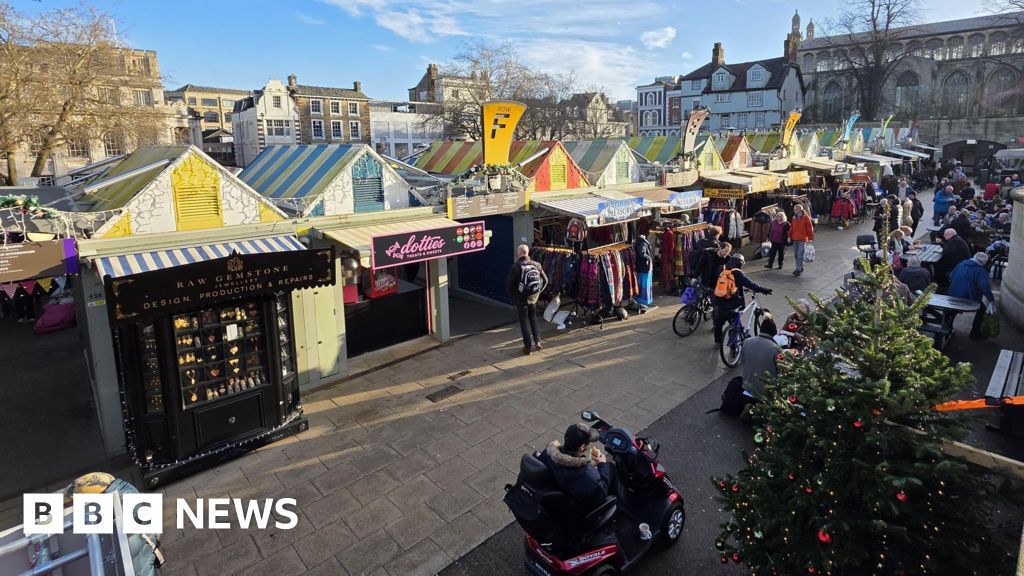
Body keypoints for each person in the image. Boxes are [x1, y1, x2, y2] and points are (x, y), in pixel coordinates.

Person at [538, 423, 613, 511]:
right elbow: (601, 494)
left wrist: (587, 463)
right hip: (580, 512)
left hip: (557, 504)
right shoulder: (589, 476)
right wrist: (603, 465)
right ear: (582, 447)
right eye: (589, 443)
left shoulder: (547, 454)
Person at [713, 255, 772, 344]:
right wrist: (762, 290)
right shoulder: (737, 272)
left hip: (721, 300)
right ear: (739, 263)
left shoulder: (722, 268)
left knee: (719, 322)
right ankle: (733, 343)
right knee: (734, 323)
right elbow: (749, 284)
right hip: (733, 303)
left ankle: (717, 341)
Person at [506, 244, 549, 355]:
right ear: (528, 252)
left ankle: (527, 347)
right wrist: (538, 293)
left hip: (521, 299)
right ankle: (537, 341)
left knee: (524, 322)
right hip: (533, 299)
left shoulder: (515, 267)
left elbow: (509, 285)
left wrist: (513, 297)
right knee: (533, 318)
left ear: (519, 253)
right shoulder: (537, 264)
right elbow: (546, 280)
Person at [948, 253, 996, 340]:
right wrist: (991, 299)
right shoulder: (980, 271)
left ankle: (948, 327)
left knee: (952, 309)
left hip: (953, 295)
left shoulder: (962, 263)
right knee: (982, 310)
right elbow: (985, 287)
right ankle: (975, 333)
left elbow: (951, 276)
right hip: (968, 298)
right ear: (984, 262)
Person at [741, 317, 782, 402]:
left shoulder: (747, 342)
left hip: (746, 386)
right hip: (765, 392)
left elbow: (743, 361)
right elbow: (780, 370)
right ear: (774, 333)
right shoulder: (775, 349)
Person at [789, 203, 814, 277]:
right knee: (796, 254)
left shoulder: (806, 218)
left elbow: (810, 228)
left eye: (795, 209)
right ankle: (800, 267)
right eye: (794, 209)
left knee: (800, 254)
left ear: (800, 209)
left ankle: (798, 269)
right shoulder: (794, 218)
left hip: (803, 239)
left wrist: (810, 238)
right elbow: (791, 228)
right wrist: (789, 236)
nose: (794, 211)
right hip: (795, 238)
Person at [634, 233, 653, 310]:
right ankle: (642, 302)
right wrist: (648, 258)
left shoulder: (639, 242)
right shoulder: (642, 243)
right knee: (644, 285)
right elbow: (642, 254)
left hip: (642, 268)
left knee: (642, 285)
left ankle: (642, 302)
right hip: (644, 268)